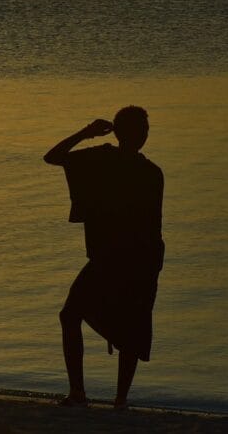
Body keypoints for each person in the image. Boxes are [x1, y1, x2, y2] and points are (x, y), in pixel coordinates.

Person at [43, 106, 164, 409]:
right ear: (132, 134)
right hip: (124, 259)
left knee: (115, 325)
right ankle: (99, 396)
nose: (145, 135)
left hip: (123, 259)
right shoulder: (121, 164)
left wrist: (86, 133)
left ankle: (98, 396)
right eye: (142, 130)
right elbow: (53, 157)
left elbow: (55, 156)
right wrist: (87, 133)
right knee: (91, 320)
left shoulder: (121, 165)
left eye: (145, 130)